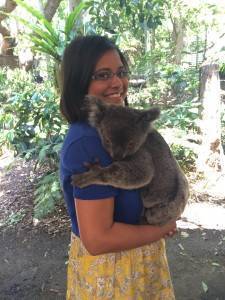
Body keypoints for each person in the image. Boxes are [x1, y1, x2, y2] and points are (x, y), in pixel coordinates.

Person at [60, 35, 177, 299]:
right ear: (80, 83)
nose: (117, 83)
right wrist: (160, 229)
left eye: (121, 72)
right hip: (113, 274)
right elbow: (98, 239)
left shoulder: (120, 121)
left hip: (139, 259)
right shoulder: (87, 142)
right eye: (102, 75)